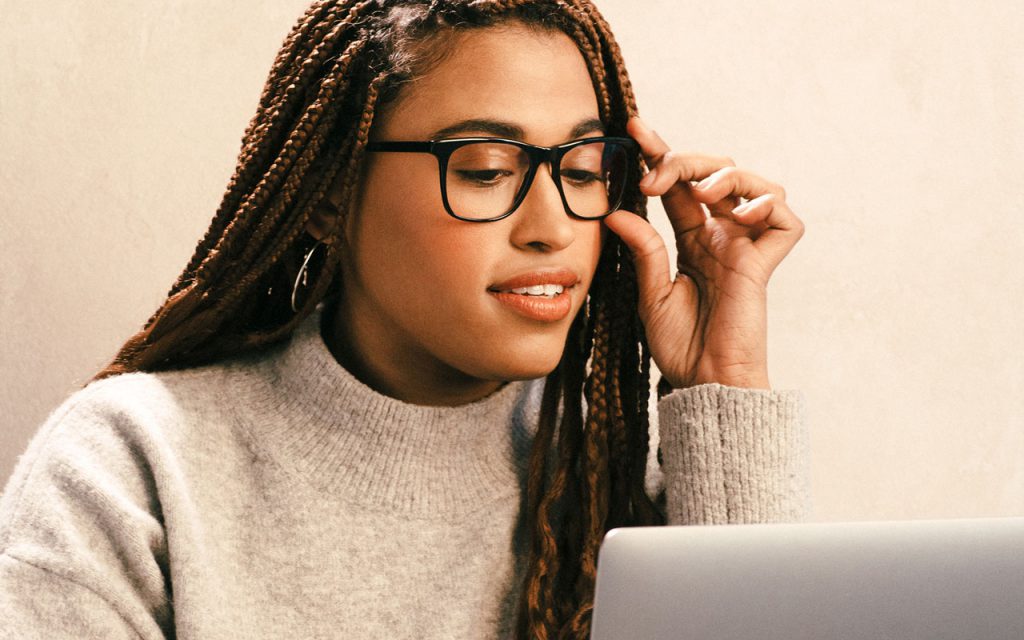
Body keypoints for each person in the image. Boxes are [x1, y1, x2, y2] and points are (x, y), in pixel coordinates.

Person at [0, 0, 806, 638]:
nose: (552, 225)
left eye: (586, 169)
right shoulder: (134, 466)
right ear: (328, 196)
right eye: (487, 169)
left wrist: (724, 385)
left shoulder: (619, 479)